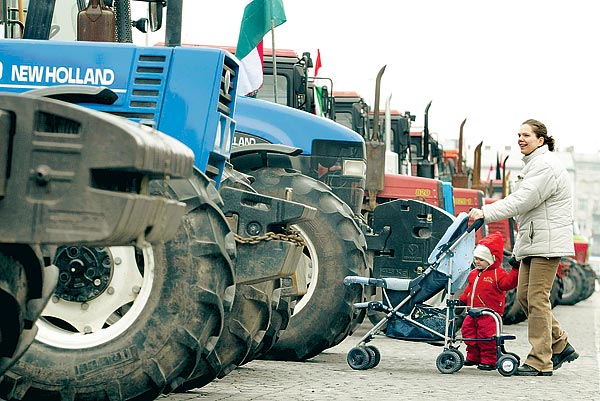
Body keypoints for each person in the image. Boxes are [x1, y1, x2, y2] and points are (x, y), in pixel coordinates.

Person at [468, 119, 578, 376]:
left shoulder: (545, 166)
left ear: (541, 140)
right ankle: (560, 344)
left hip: (546, 244)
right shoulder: (534, 165)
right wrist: (518, 251)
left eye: (526, 135)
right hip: (533, 241)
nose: (520, 138)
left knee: (537, 298)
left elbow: (521, 201)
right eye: (518, 134)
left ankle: (540, 360)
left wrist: (485, 211)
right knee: (523, 297)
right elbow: (526, 211)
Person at [459, 231, 519, 370]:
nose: (477, 262)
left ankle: (489, 360)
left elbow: (508, 284)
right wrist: (462, 300)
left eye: (481, 259)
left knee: (487, 337)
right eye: (476, 259)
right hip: (472, 312)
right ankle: (473, 356)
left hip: (489, 314)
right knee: (468, 332)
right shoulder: (474, 274)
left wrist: (515, 270)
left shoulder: (498, 273)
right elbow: (469, 290)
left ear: (491, 259)